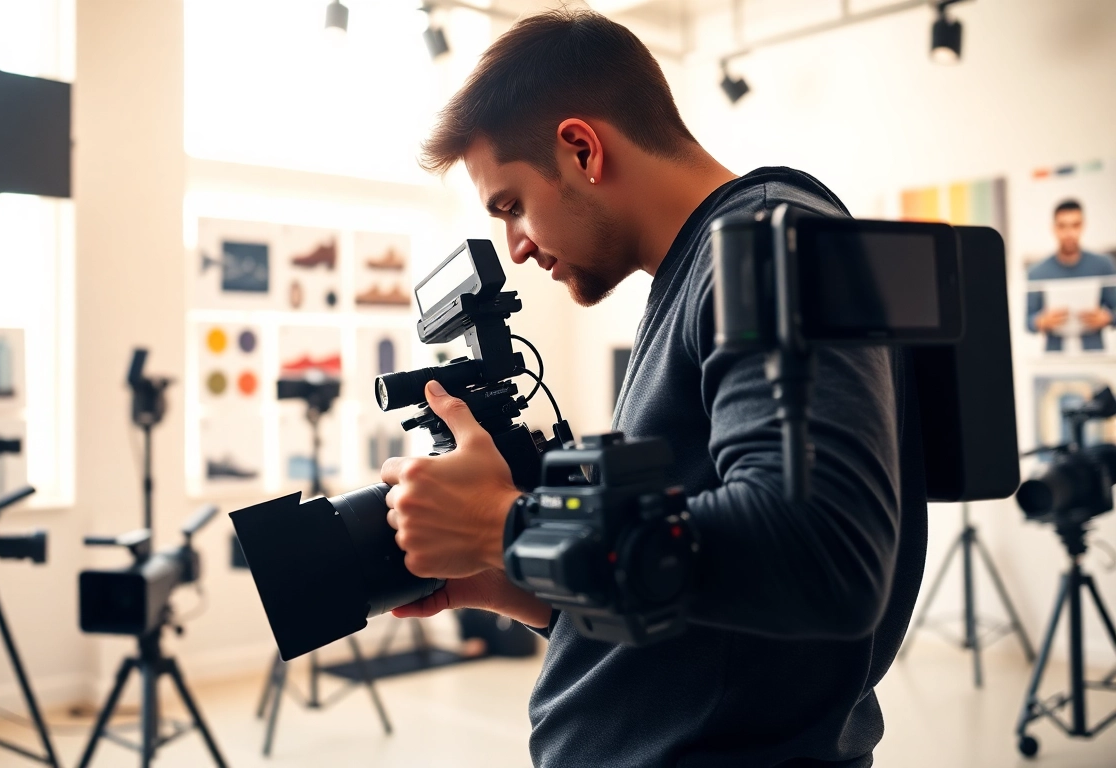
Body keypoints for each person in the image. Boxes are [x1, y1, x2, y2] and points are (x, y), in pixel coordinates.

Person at [378, 10, 926, 768]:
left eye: (512, 205)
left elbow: (821, 557)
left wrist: (502, 523)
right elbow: (710, 618)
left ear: (581, 149)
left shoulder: (770, 250)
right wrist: (518, 581)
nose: (518, 246)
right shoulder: (703, 271)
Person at [1026, 199, 1116, 352]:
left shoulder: (1103, 265)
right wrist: (1043, 321)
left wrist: (1106, 318)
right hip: (1054, 355)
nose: (1069, 233)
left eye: (1075, 225)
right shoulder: (1037, 272)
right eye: (1062, 226)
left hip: (1094, 354)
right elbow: (1028, 321)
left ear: (1083, 226)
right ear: (1054, 228)